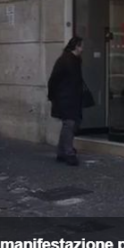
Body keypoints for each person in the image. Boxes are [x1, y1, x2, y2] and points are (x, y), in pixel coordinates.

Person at [48, 36, 85, 166]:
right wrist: (53, 97)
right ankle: (68, 153)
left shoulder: (75, 60)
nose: (83, 49)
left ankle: (62, 151)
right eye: (81, 46)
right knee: (69, 124)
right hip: (65, 98)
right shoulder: (65, 60)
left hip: (72, 97)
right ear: (76, 46)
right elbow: (54, 80)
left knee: (71, 124)